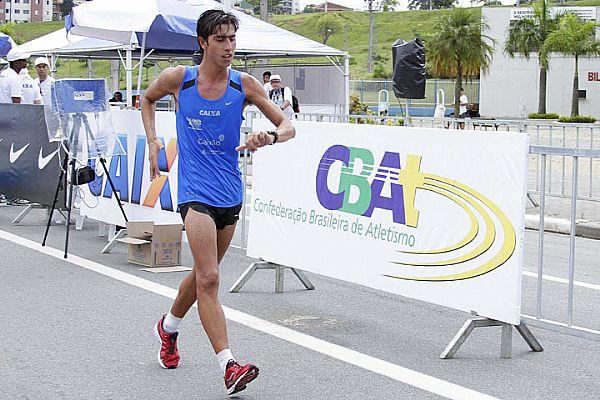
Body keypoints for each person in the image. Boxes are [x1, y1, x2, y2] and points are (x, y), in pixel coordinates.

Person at [141, 9, 295, 396]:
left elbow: (288, 127)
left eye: (232, 40)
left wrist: (269, 138)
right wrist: (153, 139)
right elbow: (146, 98)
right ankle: (229, 365)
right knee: (209, 278)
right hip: (194, 192)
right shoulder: (180, 79)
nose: (229, 47)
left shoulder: (242, 86)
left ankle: (169, 327)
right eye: (221, 40)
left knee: (202, 275)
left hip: (230, 193)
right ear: (203, 43)